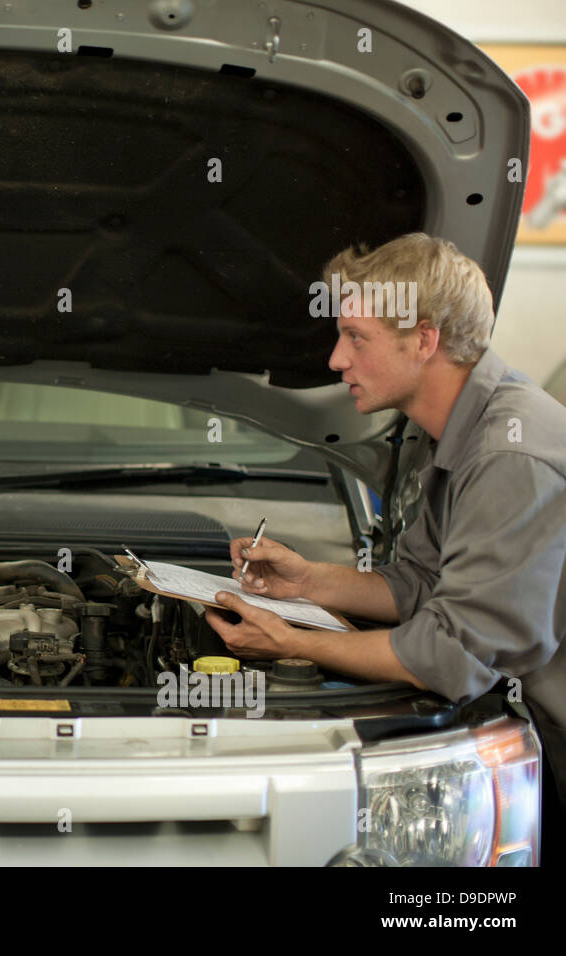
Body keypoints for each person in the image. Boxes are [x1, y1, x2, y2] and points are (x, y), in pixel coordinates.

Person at [202, 233, 566, 858]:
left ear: (424, 340)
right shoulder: (450, 434)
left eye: (357, 338)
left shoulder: (510, 455)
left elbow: (453, 653)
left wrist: (291, 642)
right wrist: (307, 581)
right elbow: (421, 586)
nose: (337, 359)